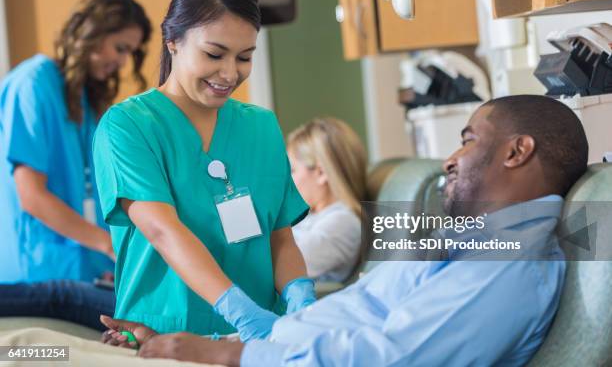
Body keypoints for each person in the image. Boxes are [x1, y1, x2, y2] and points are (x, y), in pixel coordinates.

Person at [98, 94, 588, 366]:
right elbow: (350, 320)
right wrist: (207, 345)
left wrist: (228, 357)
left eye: (467, 141)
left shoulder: (511, 265)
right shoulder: (468, 245)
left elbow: (388, 359)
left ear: (516, 152)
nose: (450, 159)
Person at [92, 0, 313, 340]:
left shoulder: (261, 127)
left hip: (255, 343)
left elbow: (280, 237)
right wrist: (240, 311)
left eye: (244, 57)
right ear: (173, 40)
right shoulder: (128, 126)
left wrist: (300, 295)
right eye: (214, 54)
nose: (229, 73)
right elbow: (162, 230)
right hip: (163, 336)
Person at [0, 0, 152, 283]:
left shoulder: (86, 99)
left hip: (83, 272)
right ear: (93, 33)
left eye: (130, 53)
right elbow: (32, 196)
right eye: (120, 48)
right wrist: (109, 246)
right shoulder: (33, 84)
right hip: (35, 273)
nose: (123, 62)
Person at [287, 118, 367, 282]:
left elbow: (281, 267)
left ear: (321, 173)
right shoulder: (311, 215)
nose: (287, 180)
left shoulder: (342, 223)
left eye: (293, 170)